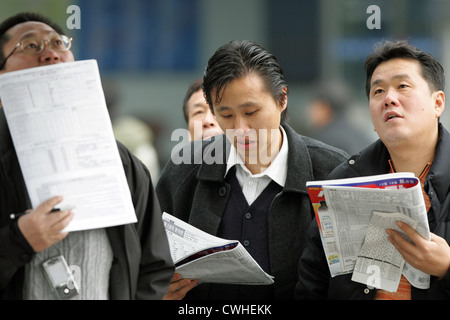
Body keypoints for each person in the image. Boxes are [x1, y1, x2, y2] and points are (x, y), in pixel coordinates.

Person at [0, 12, 174, 300]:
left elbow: (154, 267)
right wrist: (18, 242)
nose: (50, 54)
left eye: (58, 43)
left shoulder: (123, 164)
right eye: (30, 46)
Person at [157, 40, 348, 300]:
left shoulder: (332, 171)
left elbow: (351, 282)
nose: (241, 128)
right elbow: (147, 265)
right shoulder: (185, 169)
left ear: (282, 99)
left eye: (251, 111)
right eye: (226, 115)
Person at [295, 40, 450, 300]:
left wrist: (447, 267)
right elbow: (312, 282)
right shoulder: (344, 180)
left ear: (437, 103)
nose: (389, 98)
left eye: (403, 86)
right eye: (378, 91)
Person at [306, 79, 373, 155]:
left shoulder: (325, 140)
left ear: (324, 108)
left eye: (314, 106)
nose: (309, 111)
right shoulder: (361, 135)